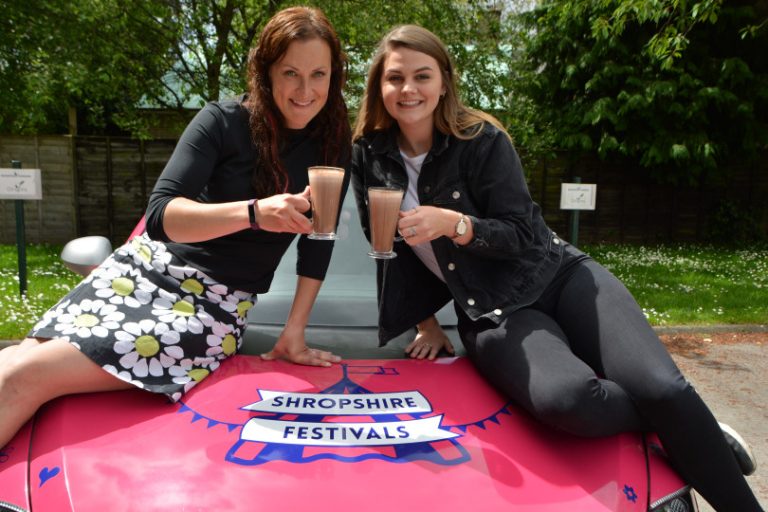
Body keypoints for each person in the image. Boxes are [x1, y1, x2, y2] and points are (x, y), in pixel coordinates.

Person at [350, 24, 762, 511]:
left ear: (443, 83)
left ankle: (688, 426)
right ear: (379, 85)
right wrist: (425, 323)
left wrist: (457, 225)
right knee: (568, 402)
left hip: (560, 275)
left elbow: (522, 232)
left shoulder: (482, 140)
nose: (409, 89)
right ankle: (688, 426)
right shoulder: (369, 155)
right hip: (492, 312)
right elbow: (390, 246)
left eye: (422, 75)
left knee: (663, 388)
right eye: (395, 77)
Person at [0, 6, 350, 450]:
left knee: (25, 374)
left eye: (319, 74)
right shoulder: (222, 120)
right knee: (12, 361)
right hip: (140, 273)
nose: (305, 90)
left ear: (334, 76)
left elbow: (319, 241)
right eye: (290, 73)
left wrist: (293, 332)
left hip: (210, 310)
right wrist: (253, 212)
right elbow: (162, 216)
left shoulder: (333, 145)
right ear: (266, 72)